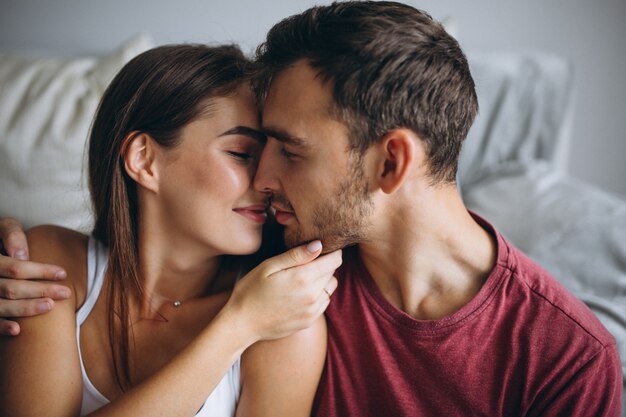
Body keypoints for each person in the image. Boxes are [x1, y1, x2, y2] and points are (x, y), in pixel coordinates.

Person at [1, 1, 623, 416]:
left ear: (390, 164)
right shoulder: (288, 265)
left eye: (289, 152)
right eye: (251, 150)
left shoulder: (566, 361)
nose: (265, 182)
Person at [0, 43, 342, 416]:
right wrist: (238, 325)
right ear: (144, 160)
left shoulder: (287, 328)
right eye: (242, 154)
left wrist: (250, 322)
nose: (265, 181)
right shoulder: (51, 264)